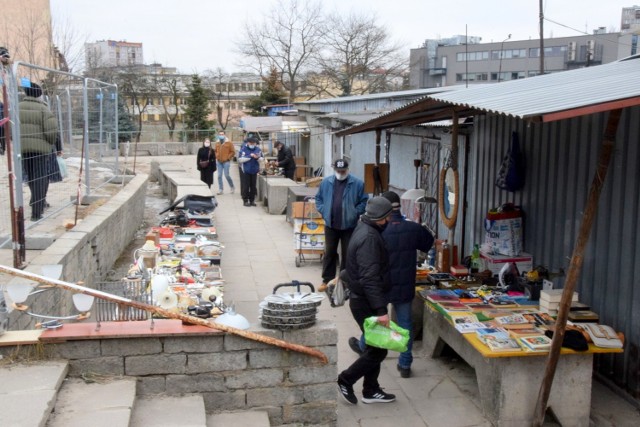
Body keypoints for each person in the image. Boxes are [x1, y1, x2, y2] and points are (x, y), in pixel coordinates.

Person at [348, 191, 434, 378]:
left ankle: (363, 346)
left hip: (380, 287)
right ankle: (405, 363)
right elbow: (429, 241)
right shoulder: (412, 228)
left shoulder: (375, 228)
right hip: (404, 285)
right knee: (404, 324)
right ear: (399, 206)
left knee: (376, 322)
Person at [337, 196, 395, 405]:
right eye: (387, 217)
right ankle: (346, 379)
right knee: (378, 350)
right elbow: (369, 277)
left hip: (363, 299)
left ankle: (371, 390)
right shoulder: (370, 238)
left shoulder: (363, 227)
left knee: (374, 346)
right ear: (382, 218)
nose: (389, 221)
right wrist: (381, 310)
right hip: (366, 302)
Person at [315, 159, 368, 289]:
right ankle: (327, 280)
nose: (340, 173)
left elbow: (364, 200)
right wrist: (323, 210)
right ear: (334, 170)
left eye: (343, 170)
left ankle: (345, 281)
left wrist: (355, 212)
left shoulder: (357, 183)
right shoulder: (326, 182)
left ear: (347, 169)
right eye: (338, 171)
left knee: (348, 254)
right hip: (331, 225)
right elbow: (318, 198)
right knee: (330, 253)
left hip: (349, 226)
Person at [19, 82, 59, 221]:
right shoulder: (43, 108)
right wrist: (50, 143)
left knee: (31, 177)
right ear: (39, 94)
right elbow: (51, 130)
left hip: (24, 149)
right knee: (40, 178)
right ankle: (36, 212)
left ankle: (35, 201)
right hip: (41, 150)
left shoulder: (17, 107)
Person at [238, 136, 262, 207]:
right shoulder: (243, 149)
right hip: (246, 170)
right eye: (251, 143)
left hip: (254, 170)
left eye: (253, 143)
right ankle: (245, 200)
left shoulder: (258, 149)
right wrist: (250, 156)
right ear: (248, 143)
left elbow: (262, 158)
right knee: (246, 186)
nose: (252, 145)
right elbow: (240, 159)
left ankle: (252, 200)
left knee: (253, 186)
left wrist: (257, 158)